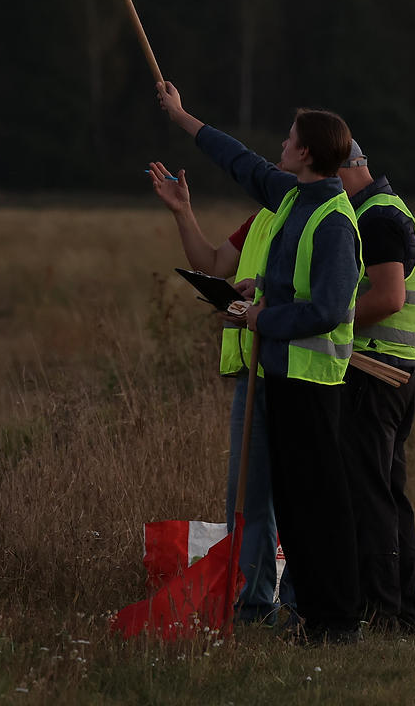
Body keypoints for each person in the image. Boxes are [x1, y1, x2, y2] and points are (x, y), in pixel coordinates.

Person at [154, 81, 363, 644]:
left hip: (312, 383)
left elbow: (328, 309)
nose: (281, 145)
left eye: (290, 139)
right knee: (292, 508)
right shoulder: (293, 197)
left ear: (308, 153)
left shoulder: (334, 221)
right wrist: (183, 118)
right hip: (281, 377)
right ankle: (312, 617)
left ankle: (337, 621)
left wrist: (261, 318)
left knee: (318, 507)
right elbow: (239, 161)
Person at [145, 160, 290, 623]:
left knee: (296, 496)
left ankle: (301, 604)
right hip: (252, 373)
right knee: (245, 499)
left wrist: (263, 301)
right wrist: (182, 211)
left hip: (294, 373)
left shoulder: (314, 216)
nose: (277, 156)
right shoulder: (262, 217)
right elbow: (210, 263)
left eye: (287, 146)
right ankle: (253, 604)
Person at [336, 139, 415, 634]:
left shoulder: (376, 217)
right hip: (394, 373)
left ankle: (383, 612)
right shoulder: (387, 209)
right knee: (388, 495)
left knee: (371, 497)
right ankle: (402, 610)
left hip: (374, 373)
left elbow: (389, 298)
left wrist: (325, 319)